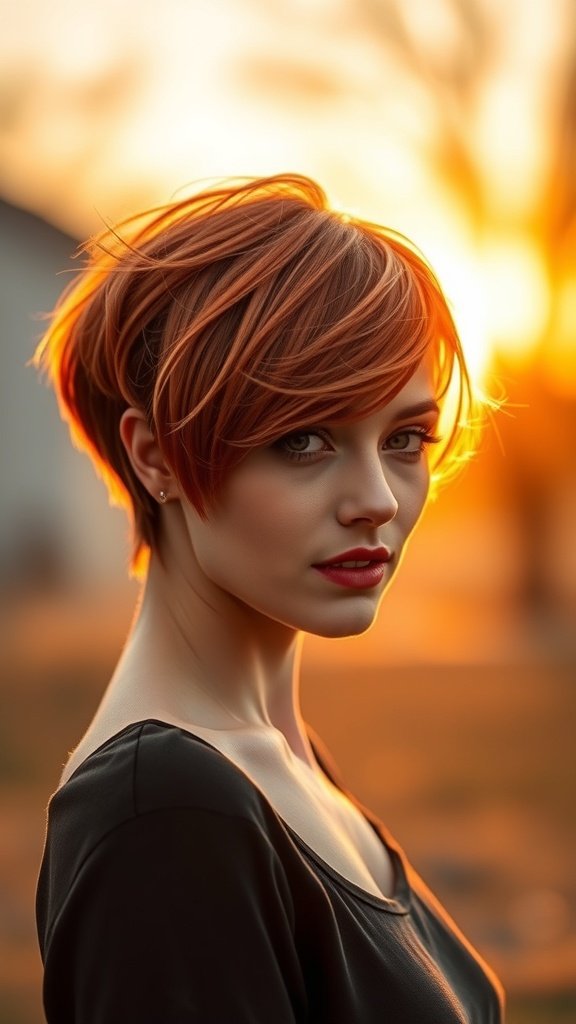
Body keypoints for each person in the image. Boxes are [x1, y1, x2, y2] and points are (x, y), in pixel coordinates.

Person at [35, 174, 504, 1022]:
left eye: (404, 438)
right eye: (304, 438)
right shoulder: (164, 816)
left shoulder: (276, 758)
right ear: (156, 459)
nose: (379, 499)